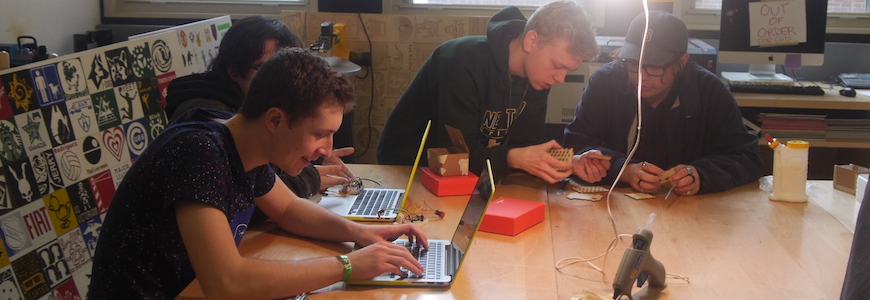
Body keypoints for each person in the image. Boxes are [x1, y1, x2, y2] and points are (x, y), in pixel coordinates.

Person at [88, 48, 428, 299]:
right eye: (319, 134)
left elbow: (288, 209)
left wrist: (363, 234)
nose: (326, 149)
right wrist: (349, 265)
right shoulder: (198, 152)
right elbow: (227, 282)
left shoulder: (243, 144)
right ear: (275, 120)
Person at [377, 0, 599, 183]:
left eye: (568, 71)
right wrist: (513, 158)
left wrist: (568, 162)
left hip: (471, 175)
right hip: (406, 171)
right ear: (532, 41)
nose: (560, 78)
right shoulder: (461, 62)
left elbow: (524, 151)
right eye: (558, 66)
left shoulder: (538, 78)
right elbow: (456, 155)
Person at [564, 11, 763, 195]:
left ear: (682, 61)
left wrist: (701, 176)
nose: (641, 76)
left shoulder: (710, 91)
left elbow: (746, 158)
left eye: (653, 67)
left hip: (689, 211)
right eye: (634, 64)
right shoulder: (605, 81)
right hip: (615, 202)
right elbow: (577, 144)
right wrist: (624, 170)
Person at [165, 15, 353, 199]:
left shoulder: (254, 115)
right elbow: (247, 197)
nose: (288, 80)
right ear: (234, 70)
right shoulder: (210, 128)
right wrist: (309, 178)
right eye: (268, 67)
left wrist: (308, 155)